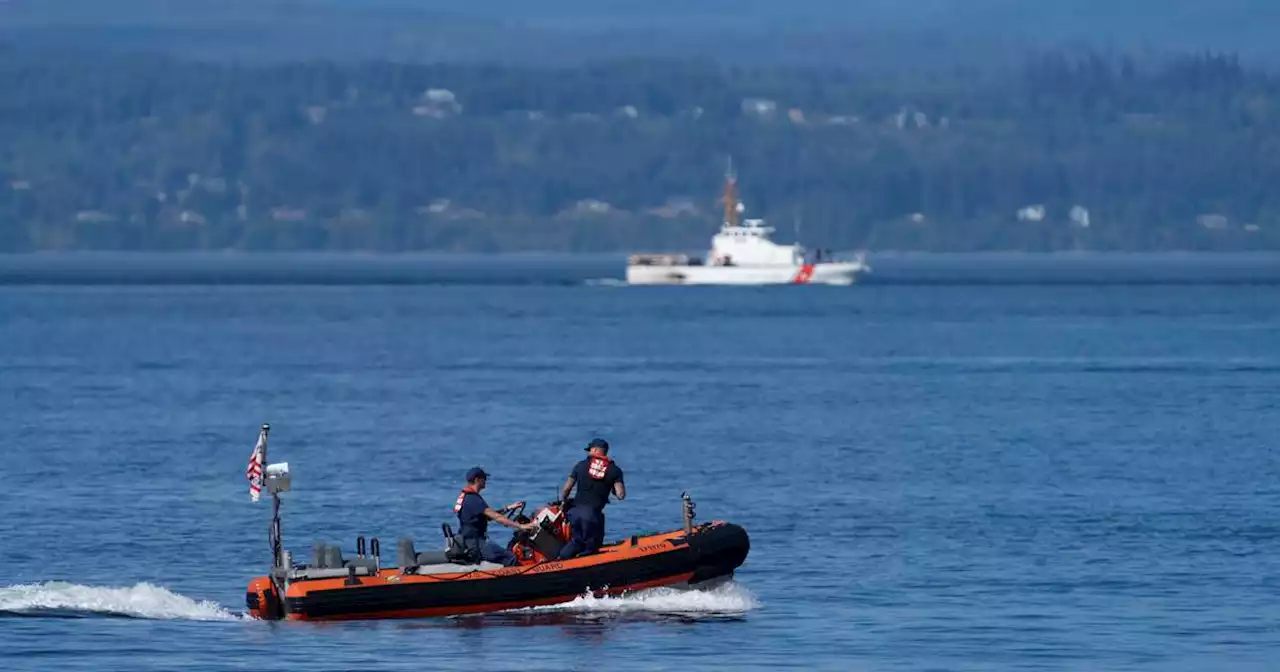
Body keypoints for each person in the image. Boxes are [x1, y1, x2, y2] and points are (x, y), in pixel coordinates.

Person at [453, 467, 537, 566]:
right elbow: (497, 518)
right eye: (484, 478)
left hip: (470, 542)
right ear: (477, 480)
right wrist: (521, 526)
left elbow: (489, 516)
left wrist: (509, 508)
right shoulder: (473, 500)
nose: (486, 481)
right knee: (511, 558)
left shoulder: (467, 497)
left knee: (509, 550)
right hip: (477, 545)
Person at [557, 438, 625, 559]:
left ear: (595, 449)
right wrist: (612, 485)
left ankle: (560, 560)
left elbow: (566, 489)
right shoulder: (614, 470)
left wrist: (563, 501)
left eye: (589, 450)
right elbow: (621, 495)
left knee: (577, 541)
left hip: (575, 513)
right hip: (593, 516)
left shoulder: (580, 465)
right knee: (592, 547)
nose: (588, 453)